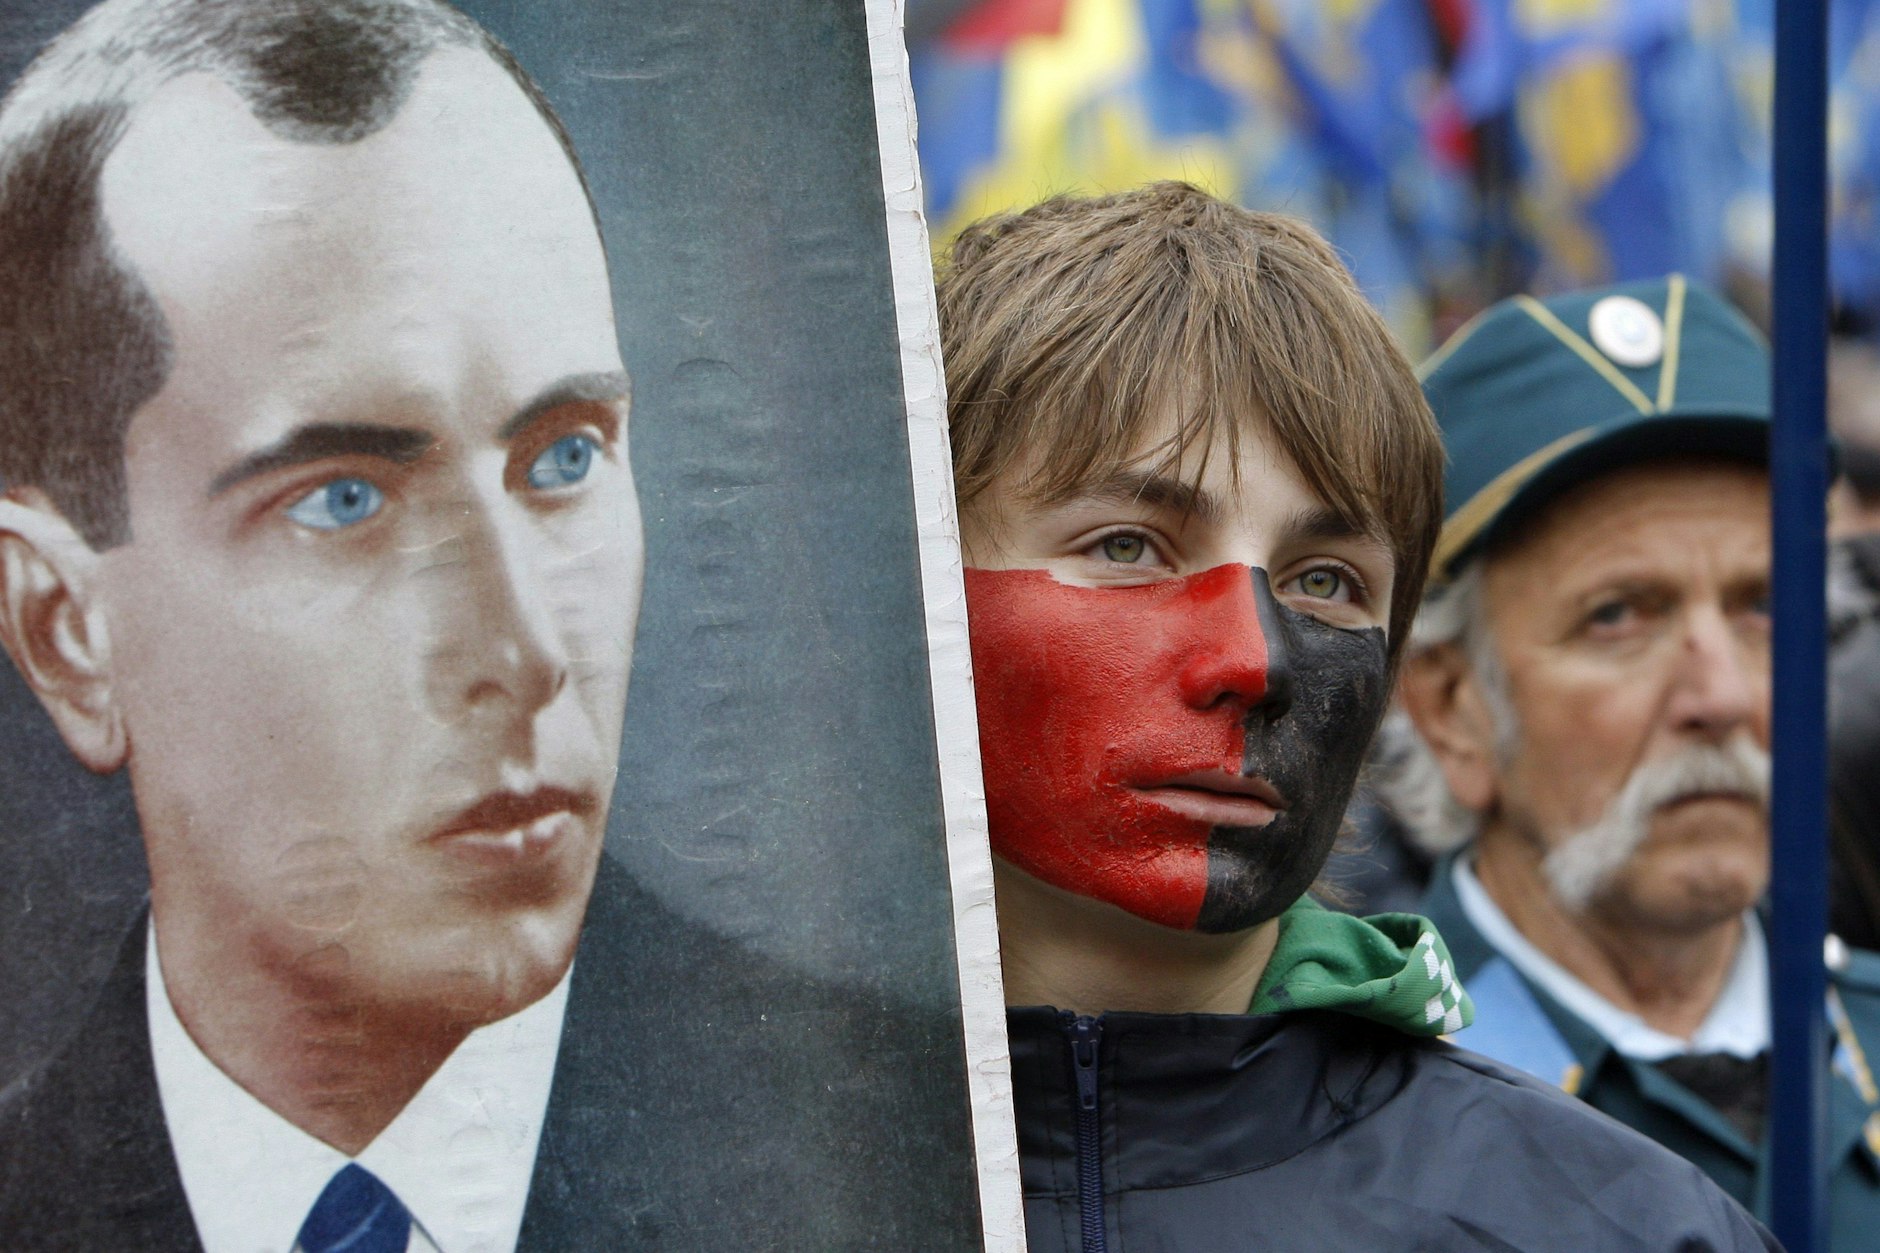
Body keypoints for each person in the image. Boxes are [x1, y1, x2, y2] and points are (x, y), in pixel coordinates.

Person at [0, 3, 979, 1248]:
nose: (523, 651)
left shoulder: (924, 1169)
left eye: (562, 457)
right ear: (64, 627)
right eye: (341, 500)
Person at [937, 185, 1776, 1250]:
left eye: (1325, 579)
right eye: (1125, 546)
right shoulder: (699, 1165)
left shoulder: (1620, 1227)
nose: (1253, 659)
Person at [1379, 276, 1880, 1246]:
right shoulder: (1343, 1120)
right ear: (1450, 709)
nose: (1721, 693)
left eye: (1761, 606)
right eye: (1617, 615)